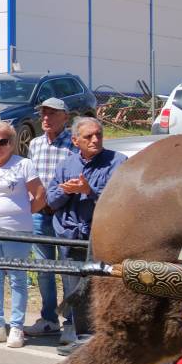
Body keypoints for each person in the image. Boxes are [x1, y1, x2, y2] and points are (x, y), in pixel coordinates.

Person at [47, 117, 126, 338]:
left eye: (98, 135)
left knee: (99, 286)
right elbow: (51, 201)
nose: (95, 140)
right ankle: (72, 330)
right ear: (75, 141)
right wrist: (66, 190)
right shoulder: (66, 165)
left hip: (100, 239)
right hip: (70, 236)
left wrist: (88, 191)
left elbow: (119, 201)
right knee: (72, 284)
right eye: (88, 136)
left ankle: (97, 335)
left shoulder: (117, 162)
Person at [0, 121, 46, 348]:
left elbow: (40, 196)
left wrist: (21, 213)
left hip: (17, 231)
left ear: (12, 143)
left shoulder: (24, 164)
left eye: (3, 142)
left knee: (17, 278)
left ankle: (16, 327)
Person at [23, 98, 80, 343]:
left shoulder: (73, 144)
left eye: (52, 113)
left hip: (65, 214)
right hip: (39, 214)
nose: (46, 118)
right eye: (43, 113)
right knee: (43, 269)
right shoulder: (35, 144)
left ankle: (71, 322)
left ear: (65, 117)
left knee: (68, 270)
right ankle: (48, 318)